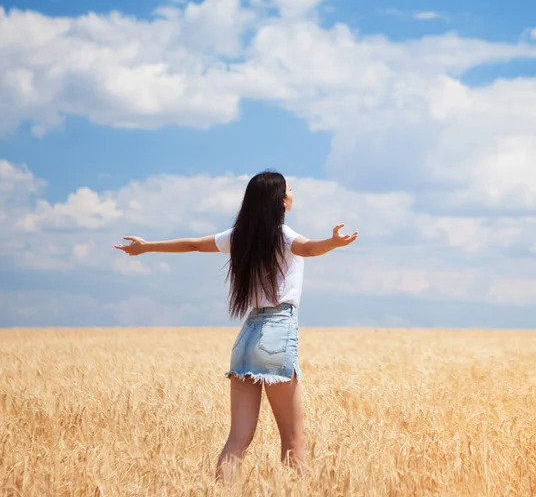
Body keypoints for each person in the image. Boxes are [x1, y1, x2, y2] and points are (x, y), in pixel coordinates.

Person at [114, 170, 358, 479]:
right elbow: (309, 248)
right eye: (290, 189)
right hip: (277, 332)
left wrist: (146, 247)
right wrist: (333, 243)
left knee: (237, 439)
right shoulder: (283, 234)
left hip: (246, 337)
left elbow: (192, 245)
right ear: (281, 200)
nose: (293, 193)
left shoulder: (239, 236)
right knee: (293, 440)